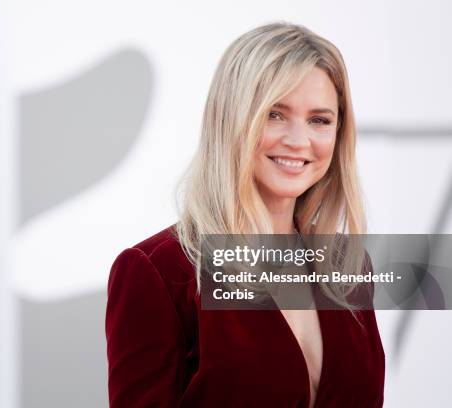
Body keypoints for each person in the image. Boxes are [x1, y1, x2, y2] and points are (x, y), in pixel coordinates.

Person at [105, 22, 385, 407]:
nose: (299, 140)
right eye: (274, 114)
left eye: (319, 120)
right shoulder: (158, 272)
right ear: (232, 120)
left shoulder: (349, 266)